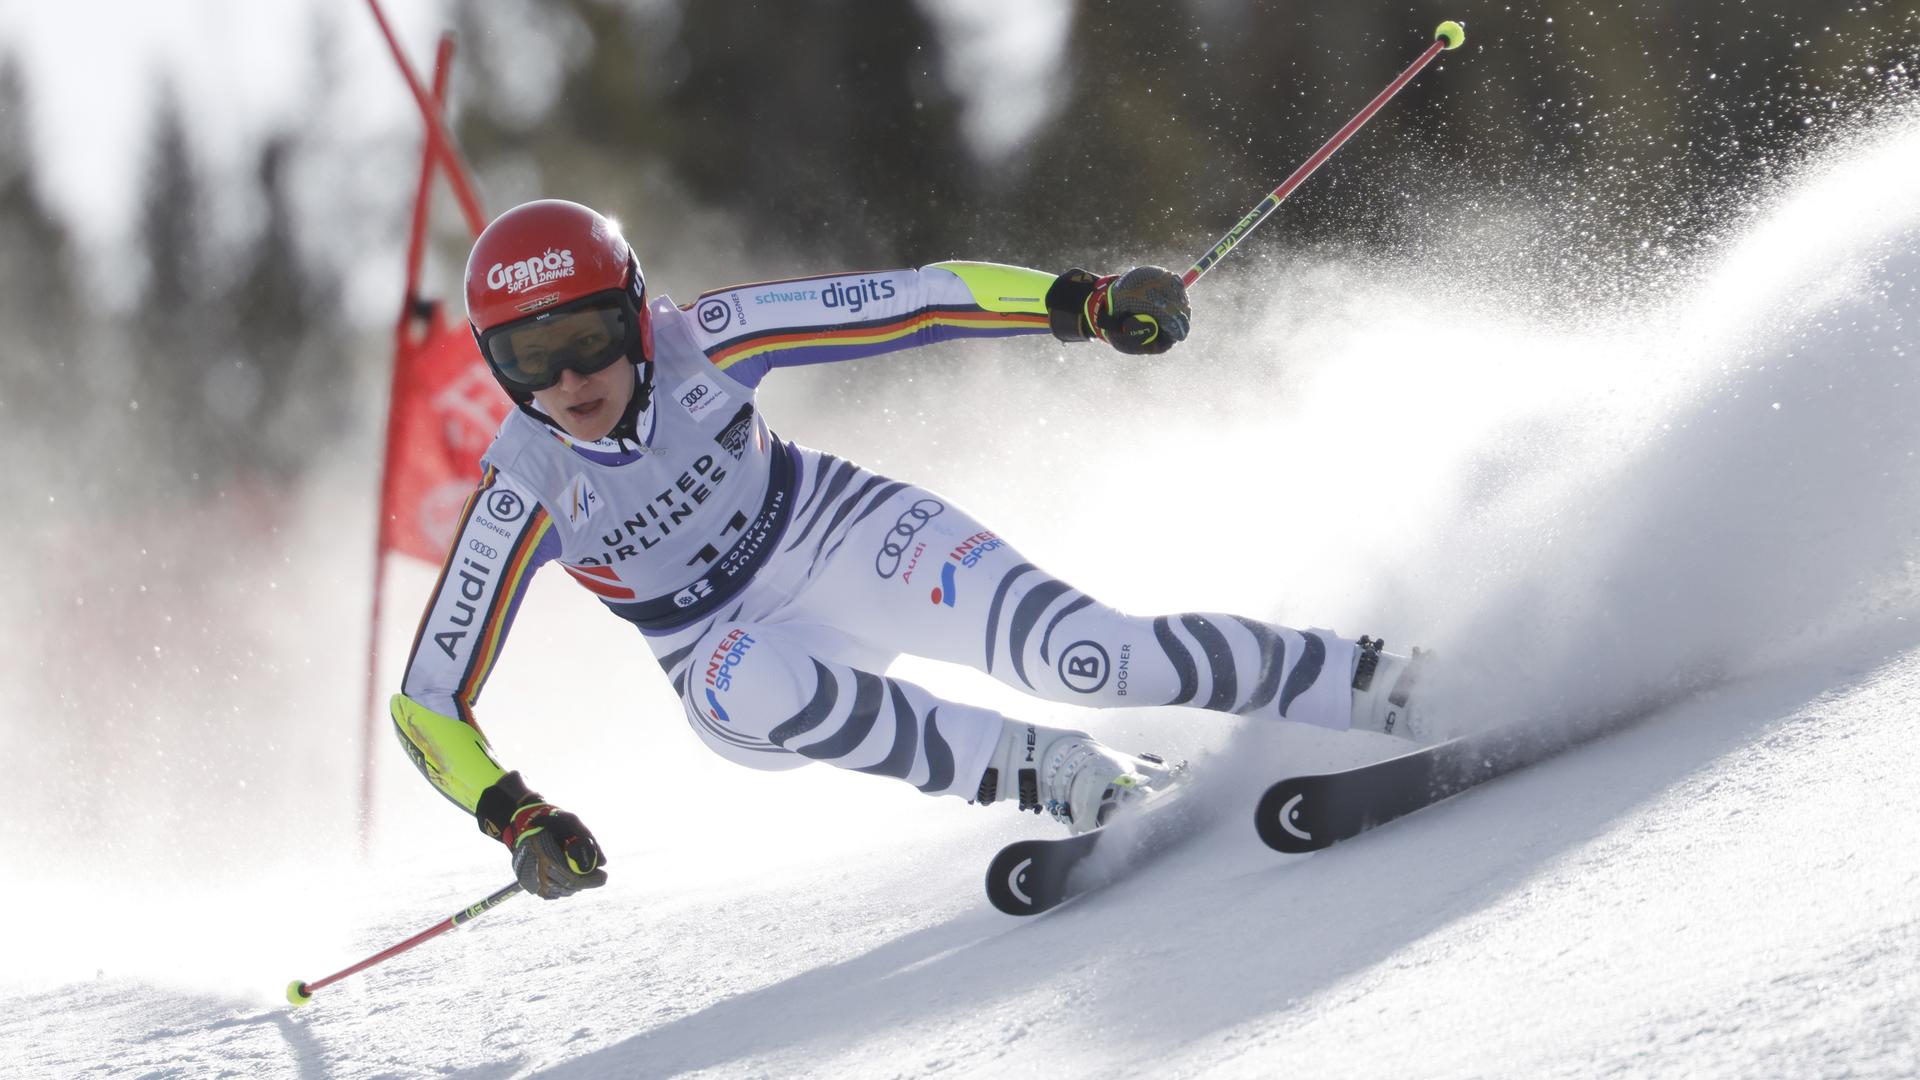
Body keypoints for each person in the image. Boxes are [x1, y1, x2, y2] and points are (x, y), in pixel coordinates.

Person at [391, 199, 1429, 900]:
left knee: (1086, 656)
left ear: (630, 310)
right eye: (530, 357)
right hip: (720, 648)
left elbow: (918, 298)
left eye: (584, 337)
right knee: (740, 677)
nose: (569, 379)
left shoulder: (705, 337)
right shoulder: (524, 484)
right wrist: (514, 814)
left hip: (836, 529)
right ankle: (1070, 778)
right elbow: (425, 700)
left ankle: (1381, 685)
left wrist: (1084, 303)